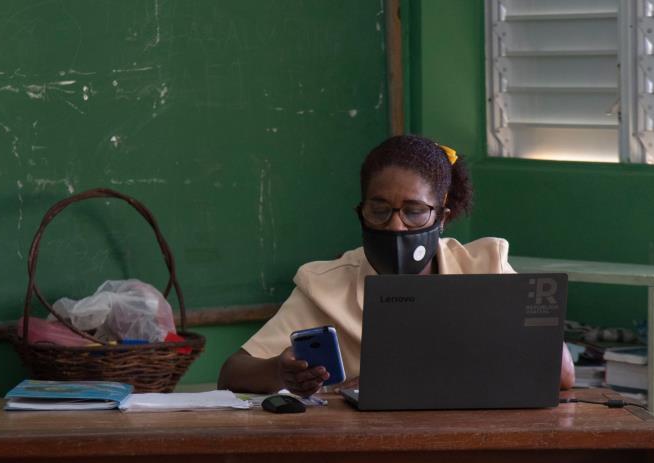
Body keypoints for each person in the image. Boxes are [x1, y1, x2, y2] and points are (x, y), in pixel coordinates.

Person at [217, 135, 575, 396]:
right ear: (361, 212)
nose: (395, 226)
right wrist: (280, 371)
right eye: (379, 210)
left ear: (443, 217)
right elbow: (233, 372)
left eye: (414, 211)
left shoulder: (484, 268)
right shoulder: (325, 285)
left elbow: (561, 373)